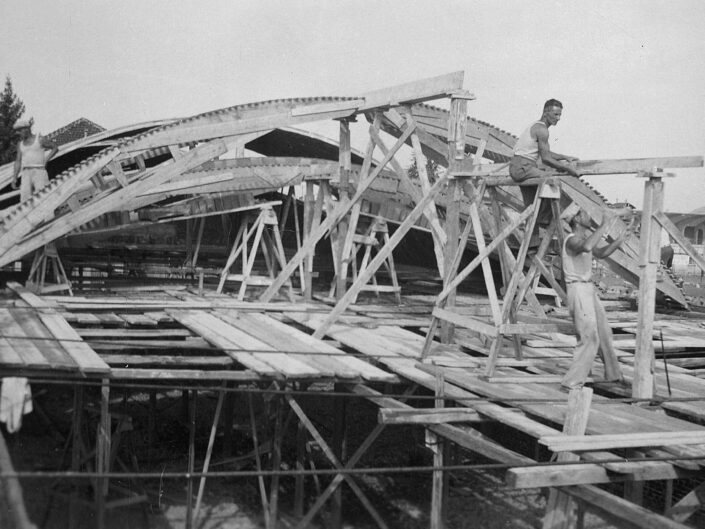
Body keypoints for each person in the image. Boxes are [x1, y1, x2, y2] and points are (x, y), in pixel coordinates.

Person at [560, 205, 636, 390]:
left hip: (588, 290)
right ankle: (572, 383)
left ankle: (613, 376)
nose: (589, 216)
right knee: (589, 336)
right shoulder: (571, 240)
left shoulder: (585, 239)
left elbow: (600, 253)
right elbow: (586, 246)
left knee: (604, 332)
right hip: (578, 290)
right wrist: (605, 223)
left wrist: (619, 240)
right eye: (585, 213)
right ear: (576, 220)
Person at [510, 99, 580, 227]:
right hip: (522, 168)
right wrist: (567, 169)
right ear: (546, 112)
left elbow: (545, 152)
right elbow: (546, 158)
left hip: (520, 167)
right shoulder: (542, 130)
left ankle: (533, 244)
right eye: (555, 114)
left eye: (560, 115)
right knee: (552, 181)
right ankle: (556, 216)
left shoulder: (537, 126)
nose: (558, 118)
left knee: (531, 206)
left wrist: (564, 157)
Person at [11, 119, 58, 201]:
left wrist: (46, 160)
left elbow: (55, 148)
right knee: (25, 199)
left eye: (20, 131)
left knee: (43, 195)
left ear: (26, 129)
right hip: (26, 173)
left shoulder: (39, 139)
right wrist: (15, 178)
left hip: (39, 171)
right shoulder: (20, 144)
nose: (18, 134)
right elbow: (18, 161)